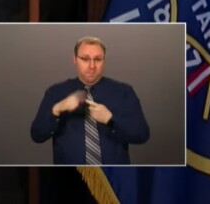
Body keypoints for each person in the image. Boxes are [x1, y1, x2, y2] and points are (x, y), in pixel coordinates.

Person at [30, 36, 150, 165]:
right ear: (75, 59)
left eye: (98, 59)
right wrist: (57, 109)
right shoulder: (56, 92)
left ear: (104, 61)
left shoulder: (124, 92)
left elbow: (142, 135)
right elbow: (37, 136)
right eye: (85, 59)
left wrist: (110, 119)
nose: (92, 66)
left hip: (112, 179)